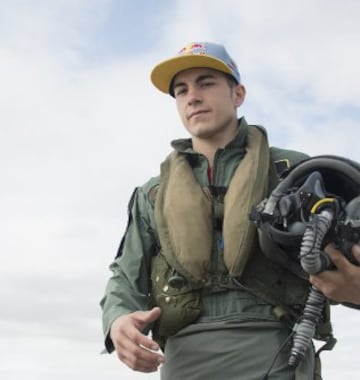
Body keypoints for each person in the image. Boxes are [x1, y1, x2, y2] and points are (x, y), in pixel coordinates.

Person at [100, 41, 360, 380]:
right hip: (185, 360)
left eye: (206, 82)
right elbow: (125, 274)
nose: (192, 96)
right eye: (181, 90)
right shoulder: (152, 194)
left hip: (279, 353)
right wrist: (118, 320)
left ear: (238, 94)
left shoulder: (298, 174)